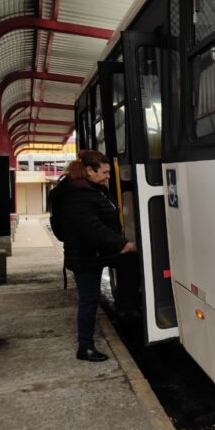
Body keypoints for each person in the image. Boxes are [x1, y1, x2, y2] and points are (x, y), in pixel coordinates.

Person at [52, 150, 136, 362]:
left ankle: (126, 309)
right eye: (105, 172)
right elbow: (92, 227)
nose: (109, 176)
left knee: (131, 263)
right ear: (90, 171)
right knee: (88, 300)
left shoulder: (93, 189)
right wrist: (122, 243)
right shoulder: (78, 195)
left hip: (99, 251)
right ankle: (85, 347)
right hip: (85, 255)